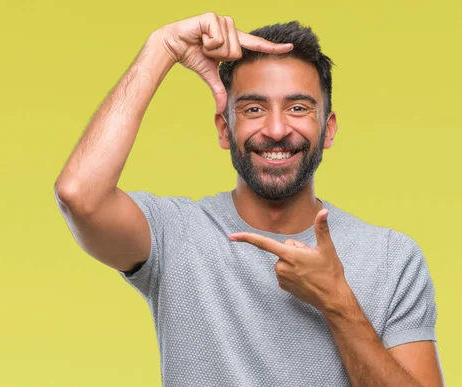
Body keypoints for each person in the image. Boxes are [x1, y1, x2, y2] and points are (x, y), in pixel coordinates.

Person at [53, 12, 445, 387]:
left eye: (297, 108)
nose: (276, 129)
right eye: (254, 109)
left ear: (328, 130)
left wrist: (338, 302)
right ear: (225, 129)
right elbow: (79, 195)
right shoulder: (174, 234)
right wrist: (163, 46)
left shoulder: (392, 258)